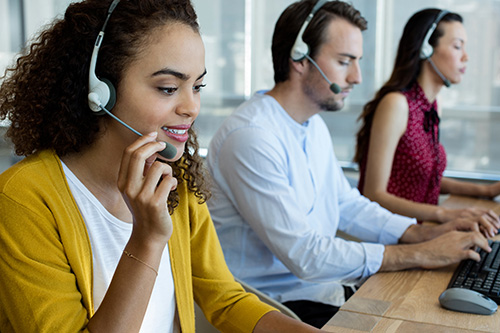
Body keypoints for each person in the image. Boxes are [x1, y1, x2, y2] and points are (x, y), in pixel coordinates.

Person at [0, 0, 322, 332]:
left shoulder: (175, 180)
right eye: (168, 88)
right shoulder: (22, 200)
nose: (191, 107)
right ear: (100, 91)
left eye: (197, 87)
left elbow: (225, 299)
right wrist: (148, 238)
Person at [206, 0, 493, 328]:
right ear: (300, 57)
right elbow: (306, 255)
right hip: (276, 308)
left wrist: (418, 233)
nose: (356, 77)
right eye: (344, 62)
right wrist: (422, 253)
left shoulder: (311, 124)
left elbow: (346, 204)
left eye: (356, 62)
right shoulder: (251, 137)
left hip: (322, 290)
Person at [354, 9, 500, 229]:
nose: (466, 57)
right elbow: (373, 194)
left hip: (421, 232)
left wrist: (485, 191)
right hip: (389, 236)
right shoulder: (397, 104)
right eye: (457, 46)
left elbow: (425, 179)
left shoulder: (431, 107)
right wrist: (445, 214)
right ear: (426, 49)